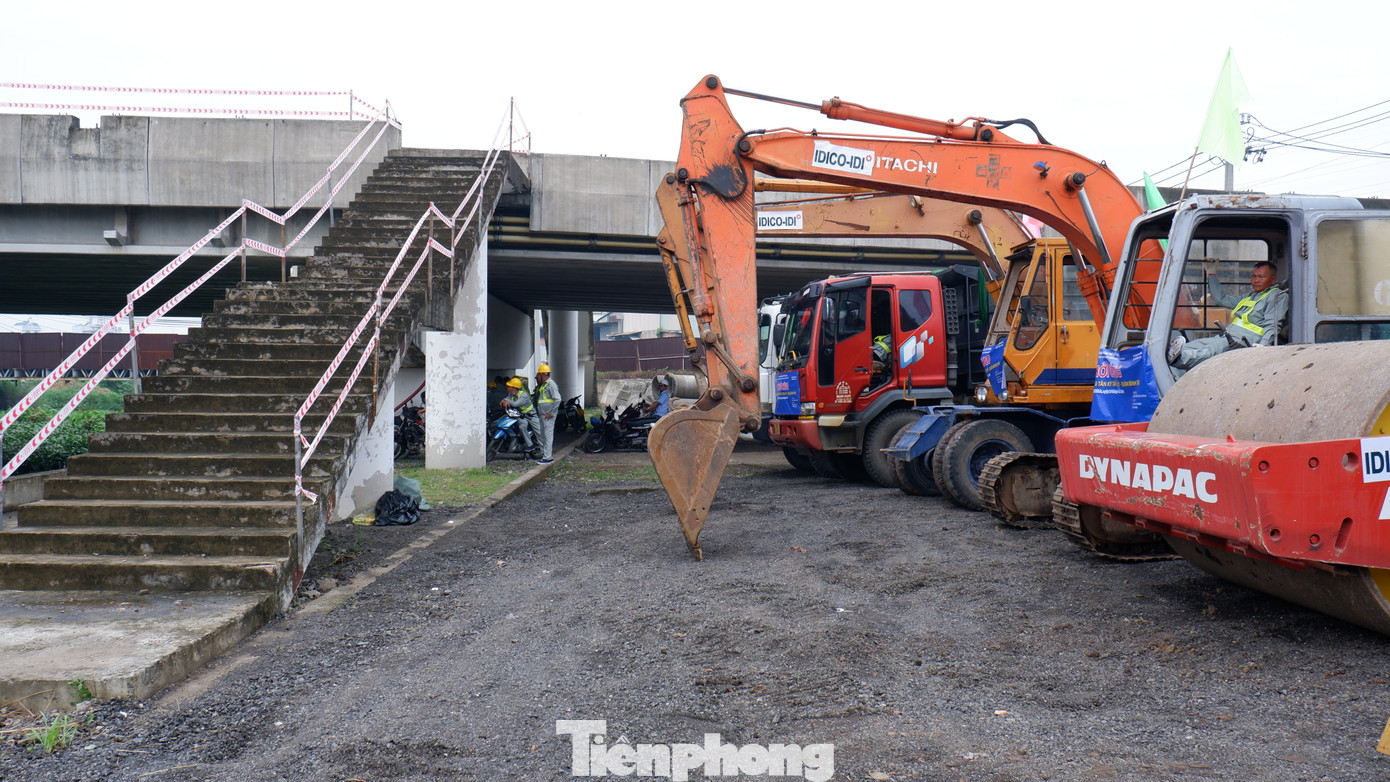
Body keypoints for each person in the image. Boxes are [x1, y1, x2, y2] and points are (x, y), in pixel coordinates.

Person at [1168, 260, 1288, 369]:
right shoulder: (1251, 297)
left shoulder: (1277, 296)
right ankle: (1172, 359)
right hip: (1229, 335)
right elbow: (1222, 300)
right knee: (1192, 346)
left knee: (1210, 351)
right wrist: (1211, 273)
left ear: (1273, 279)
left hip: (1243, 340)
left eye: (1261, 277)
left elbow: (1272, 324)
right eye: (1254, 276)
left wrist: (1264, 345)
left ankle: (1179, 358)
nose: (1256, 280)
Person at [498, 376, 538, 453]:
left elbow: (516, 404)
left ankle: (530, 445)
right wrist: (504, 401)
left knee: (523, 427)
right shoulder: (511, 394)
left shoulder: (523, 395)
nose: (507, 388)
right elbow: (506, 399)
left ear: (514, 388)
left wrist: (506, 400)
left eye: (509, 386)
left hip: (531, 416)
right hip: (521, 416)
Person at [532, 363, 561, 465]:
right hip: (542, 415)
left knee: (547, 436)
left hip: (548, 415)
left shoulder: (551, 384)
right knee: (542, 435)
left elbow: (558, 399)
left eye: (538, 376)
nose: (537, 378)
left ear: (542, 375)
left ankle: (548, 457)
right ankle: (545, 455)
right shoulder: (542, 386)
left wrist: (552, 413)